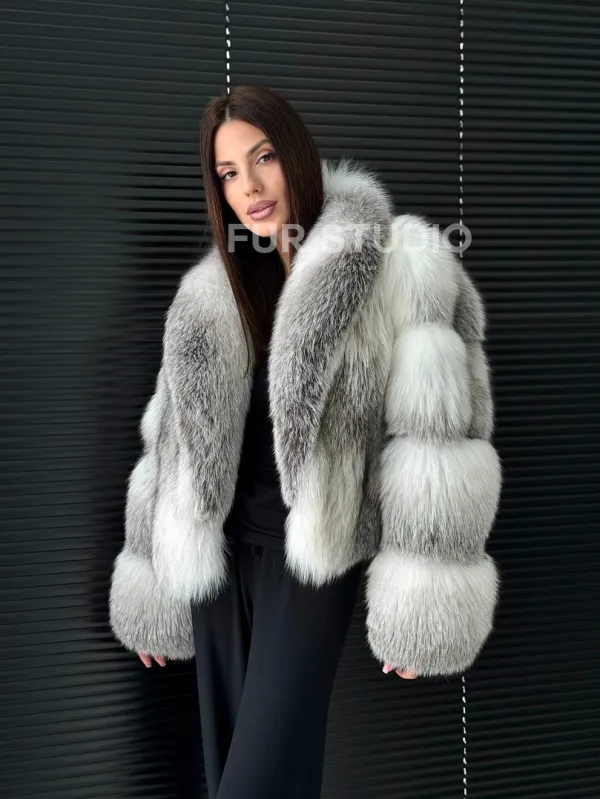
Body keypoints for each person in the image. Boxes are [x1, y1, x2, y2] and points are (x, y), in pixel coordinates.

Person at [108, 84, 502, 798]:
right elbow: (169, 443)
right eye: (228, 172)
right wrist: (152, 586)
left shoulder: (402, 264)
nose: (250, 187)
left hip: (311, 563)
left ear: (295, 152)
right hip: (218, 560)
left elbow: (440, 441)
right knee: (232, 775)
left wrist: (424, 604)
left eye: (263, 158)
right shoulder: (212, 292)